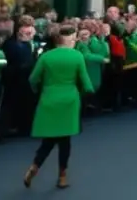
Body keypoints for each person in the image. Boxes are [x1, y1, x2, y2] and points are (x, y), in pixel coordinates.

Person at [24, 24, 94, 189]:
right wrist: (85, 93)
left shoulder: (46, 57)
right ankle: (62, 176)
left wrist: (39, 91)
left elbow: (33, 79)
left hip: (48, 99)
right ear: (69, 39)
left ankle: (35, 166)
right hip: (69, 100)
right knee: (64, 141)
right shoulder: (77, 56)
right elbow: (86, 83)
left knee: (49, 139)